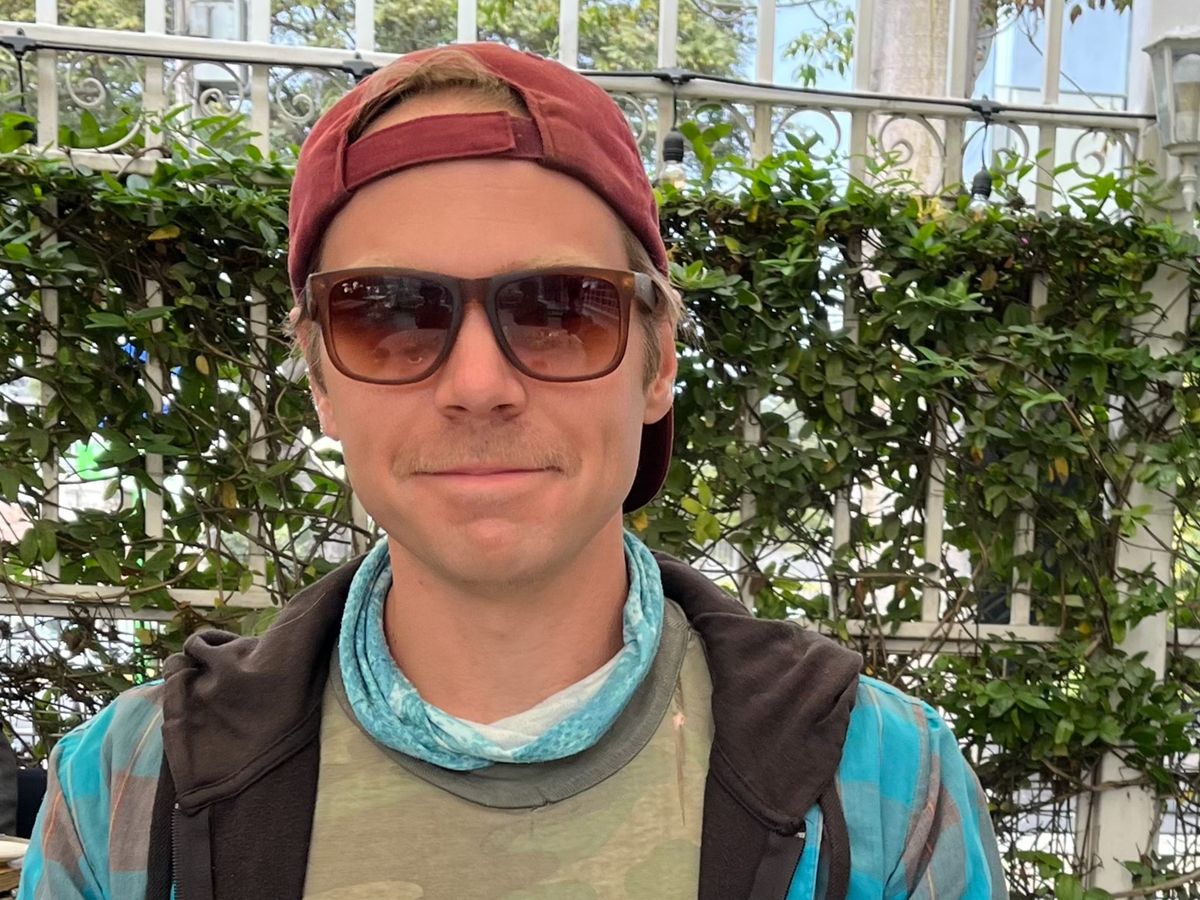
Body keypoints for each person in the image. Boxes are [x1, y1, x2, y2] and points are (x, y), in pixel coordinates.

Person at [18, 42, 1007, 900]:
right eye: (389, 315)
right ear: (319, 379)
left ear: (658, 362)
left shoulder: (882, 791)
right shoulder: (129, 795)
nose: (479, 385)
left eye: (561, 309)